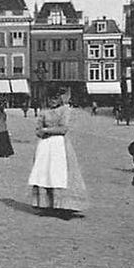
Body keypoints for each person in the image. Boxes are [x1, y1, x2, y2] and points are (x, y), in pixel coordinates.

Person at [27, 86, 88, 217]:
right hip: (45, 146)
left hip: (60, 145)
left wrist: (46, 130)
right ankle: (47, 204)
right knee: (45, 173)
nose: (52, 101)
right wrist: (41, 132)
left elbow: (63, 129)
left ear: (60, 99)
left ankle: (65, 206)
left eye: (55, 98)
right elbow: (38, 129)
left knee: (61, 174)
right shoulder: (44, 112)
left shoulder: (65, 110)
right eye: (50, 99)